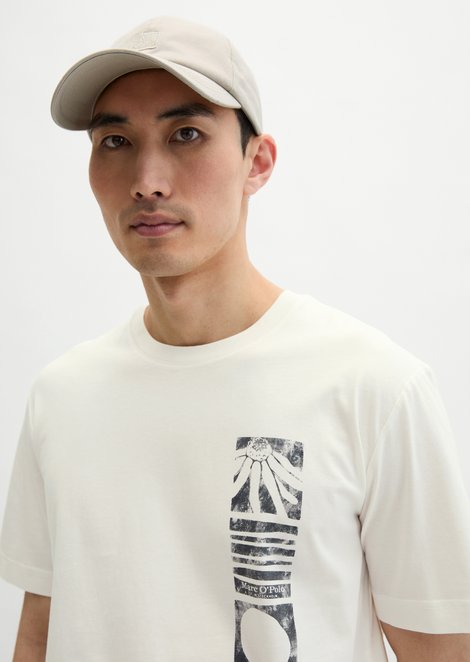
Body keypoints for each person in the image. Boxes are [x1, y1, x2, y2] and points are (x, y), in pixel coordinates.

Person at [0, 15, 469, 662]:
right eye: (115, 141)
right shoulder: (62, 397)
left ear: (258, 161)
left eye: (186, 134)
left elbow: (441, 650)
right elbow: (41, 634)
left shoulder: (375, 388)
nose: (147, 180)